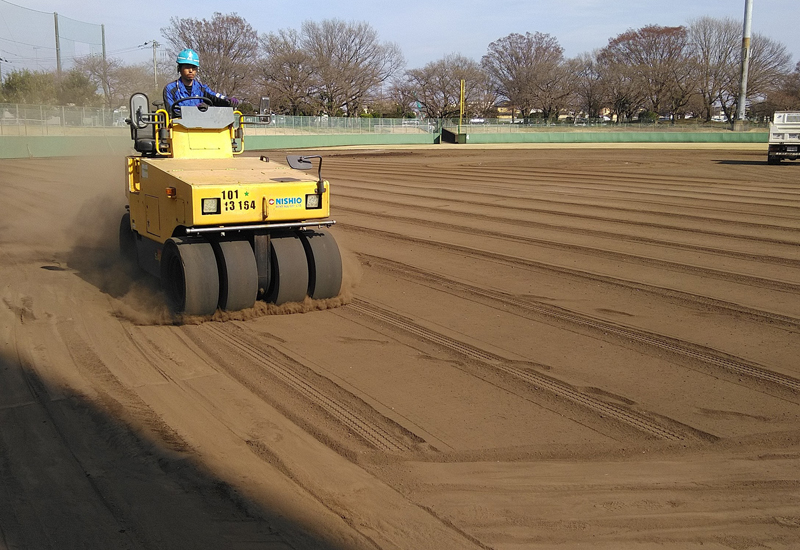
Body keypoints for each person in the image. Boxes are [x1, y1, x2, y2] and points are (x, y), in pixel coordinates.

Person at [163, 49, 240, 117]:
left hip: (202, 128)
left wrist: (227, 100)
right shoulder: (170, 89)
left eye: (194, 67)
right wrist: (194, 111)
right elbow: (171, 112)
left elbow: (215, 97)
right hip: (178, 130)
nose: (191, 70)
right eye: (187, 67)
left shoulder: (202, 88)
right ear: (179, 68)